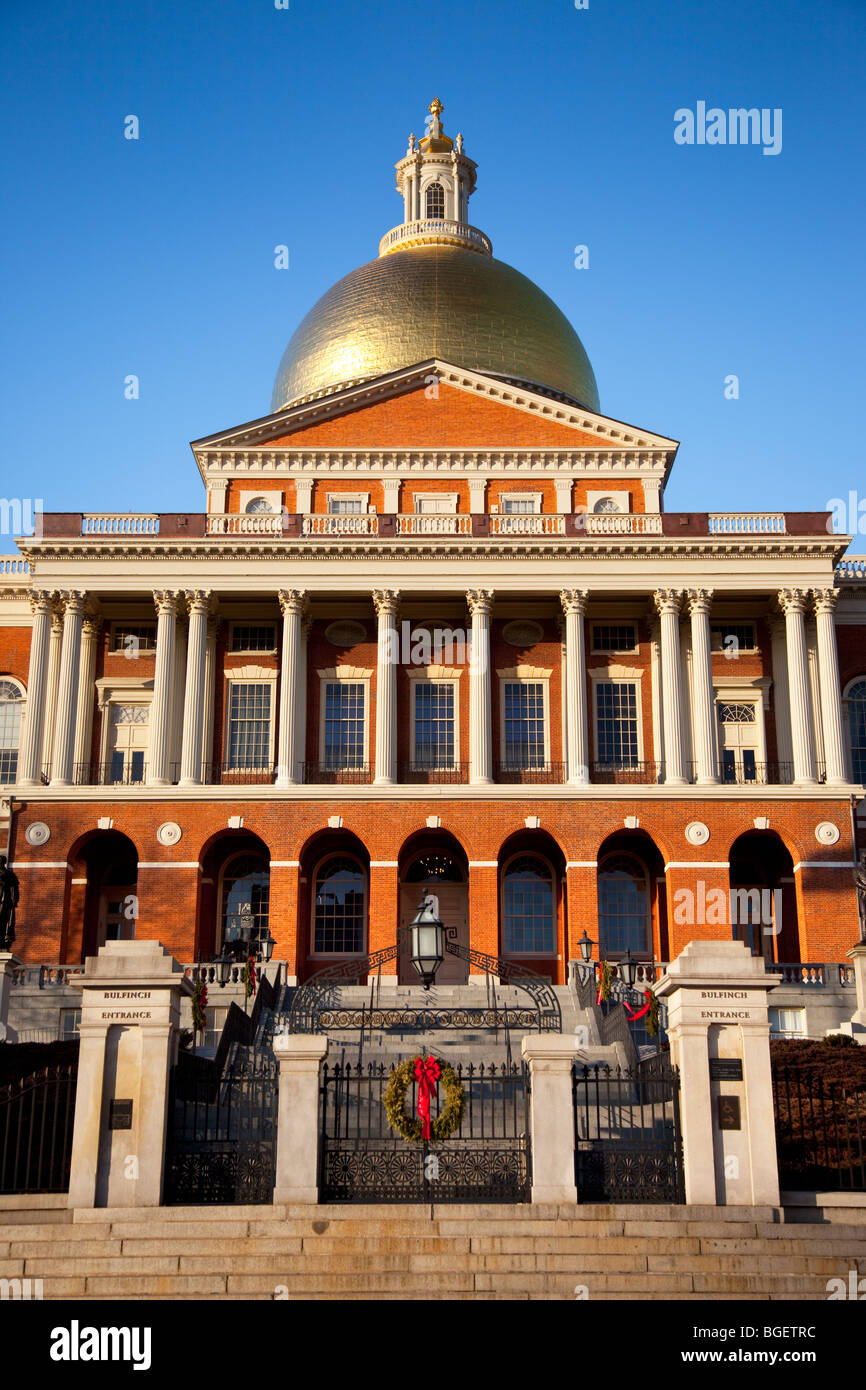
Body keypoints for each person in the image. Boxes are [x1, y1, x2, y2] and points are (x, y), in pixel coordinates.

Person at [0, 855, 19, 951]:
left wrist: (14, 900)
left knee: (4, 920)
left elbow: (14, 889)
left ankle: (3, 941)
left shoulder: (9, 874)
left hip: (5, 902)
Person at [855, 852, 866, 943]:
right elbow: (857, 882)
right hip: (863, 895)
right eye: (864, 858)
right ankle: (865, 936)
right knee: (864, 915)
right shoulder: (857, 870)